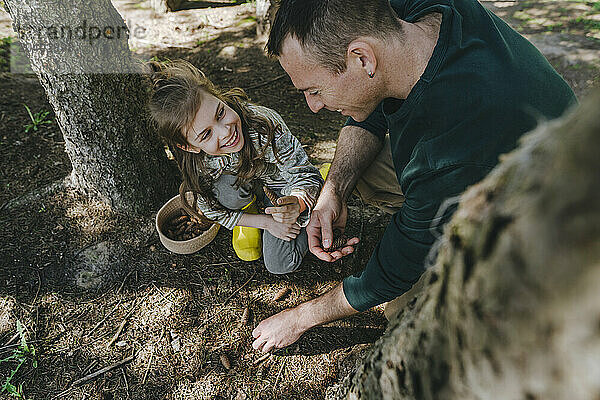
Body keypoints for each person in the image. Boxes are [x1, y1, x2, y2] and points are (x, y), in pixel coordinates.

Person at [251, 0, 577, 353]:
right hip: (503, 162)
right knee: (359, 167)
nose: (313, 106)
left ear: (362, 59)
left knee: (405, 315)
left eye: (314, 91)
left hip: (550, 219)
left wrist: (299, 318)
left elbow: (390, 273)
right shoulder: (401, 20)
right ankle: (430, 225)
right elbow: (372, 108)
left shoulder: (448, 149)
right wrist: (334, 192)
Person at [147, 60, 323, 274]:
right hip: (248, 185)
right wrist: (267, 223)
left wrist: (297, 203)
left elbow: (301, 174)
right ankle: (249, 213)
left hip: (283, 185)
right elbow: (213, 211)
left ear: (219, 97)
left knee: (279, 265)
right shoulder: (199, 164)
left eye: (220, 113)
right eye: (206, 134)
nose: (225, 131)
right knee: (224, 192)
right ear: (189, 147)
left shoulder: (263, 125)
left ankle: (322, 192)